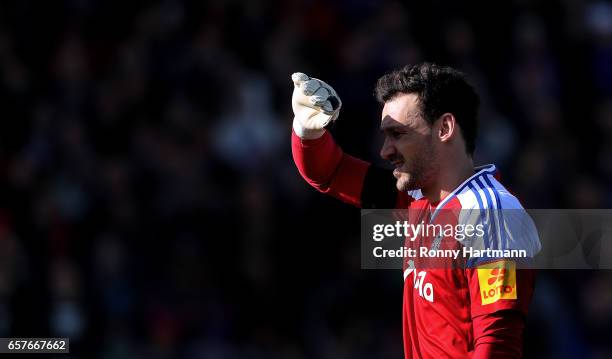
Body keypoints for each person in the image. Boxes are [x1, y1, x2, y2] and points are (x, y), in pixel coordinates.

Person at [290, 63, 540, 358]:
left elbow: (497, 344)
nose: (385, 150)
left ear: (445, 128)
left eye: (398, 134)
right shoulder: (416, 200)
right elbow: (330, 172)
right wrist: (306, 131)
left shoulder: (491, 214)